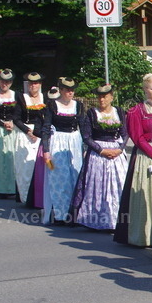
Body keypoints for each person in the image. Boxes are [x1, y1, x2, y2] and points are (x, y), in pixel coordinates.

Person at [114, 74, 152, 247]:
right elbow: (138, 138)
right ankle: (144, 235)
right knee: (146, 196)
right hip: (145, 156)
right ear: (144, 90)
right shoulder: (136, 111)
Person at [71, 85, 129, 230]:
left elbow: (125, 133)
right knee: (96, 185)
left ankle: (118, 220)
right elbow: (86, 137)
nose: (101, 99)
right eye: (99, 96)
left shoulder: (119, 112)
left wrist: (120, 149)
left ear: (111, 97)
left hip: (116, 153)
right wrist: (101, 150)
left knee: (119, 184)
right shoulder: (91, 113)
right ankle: (96, 219)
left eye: (105, 96)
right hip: (98, 155)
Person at [41, 78, 85, 224]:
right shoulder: (53, 105)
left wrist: (86, 148)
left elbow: (83, 127)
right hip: (58, 141)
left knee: (76, 175)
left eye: (72, 89)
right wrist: (46, 150)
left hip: (74, 141)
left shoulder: (78, 105)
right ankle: (61, 214)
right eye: (67, 89)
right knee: (59, 177)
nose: (70, 92)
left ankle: (75, 213)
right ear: (61, 90)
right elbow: (46, 127)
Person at [12, 73, 46, 205]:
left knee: (40, 166)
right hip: (25, 133)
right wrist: (27, 131)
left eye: (36, 83)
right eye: (31, 83)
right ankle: (26, 196)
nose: (33, 86)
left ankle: (39, 197)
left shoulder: (45, 98)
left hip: (41, 133)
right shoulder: (22, 98)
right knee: (26, 166)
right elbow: (16, 118)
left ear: (40, 84)